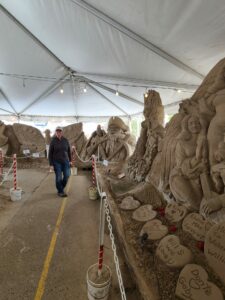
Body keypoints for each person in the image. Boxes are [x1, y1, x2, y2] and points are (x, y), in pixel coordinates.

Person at [49, 126, 72, 197]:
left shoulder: (65, 140)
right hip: (56, 162)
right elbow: (50, 153)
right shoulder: (53, 141)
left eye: (60, 131)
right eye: (57, 131)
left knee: (67, 175)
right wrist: (51, 164)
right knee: (58, 177)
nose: (58, 132)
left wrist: (70, 161)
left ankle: (60, 187)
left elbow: (68, 151)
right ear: (56, 132)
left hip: (65, 161)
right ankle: (60, 191)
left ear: (62, 132)